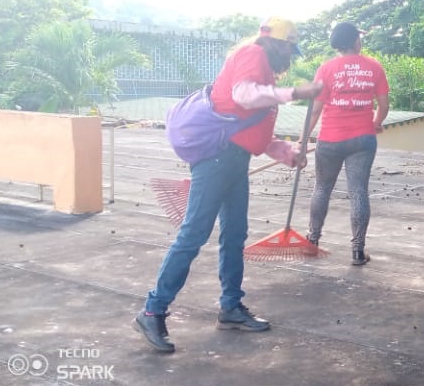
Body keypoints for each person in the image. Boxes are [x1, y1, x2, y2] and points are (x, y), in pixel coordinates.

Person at [135, 17, 323, 353]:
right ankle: (153, 310)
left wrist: (285, 152)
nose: (289, 56)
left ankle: (230, 307)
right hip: (218, 159)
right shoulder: (253, 54)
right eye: (288, 48)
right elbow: (245, 96)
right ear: (275, 42)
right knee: (193, 235)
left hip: (234, 159)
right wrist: (295, 93)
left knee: (235, 233)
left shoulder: (263, 68)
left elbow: (250, 125)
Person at [303, 22, 390, 266]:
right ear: (355, 42)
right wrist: (376, 122)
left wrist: (302, 139)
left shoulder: (326, 68)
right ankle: (357, 251)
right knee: (358, 192)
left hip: (330, 138)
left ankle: (312, 241)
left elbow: (315, 111)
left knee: (322, 188)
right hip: (362, 139)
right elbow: (383, 106)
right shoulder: (373, 66)